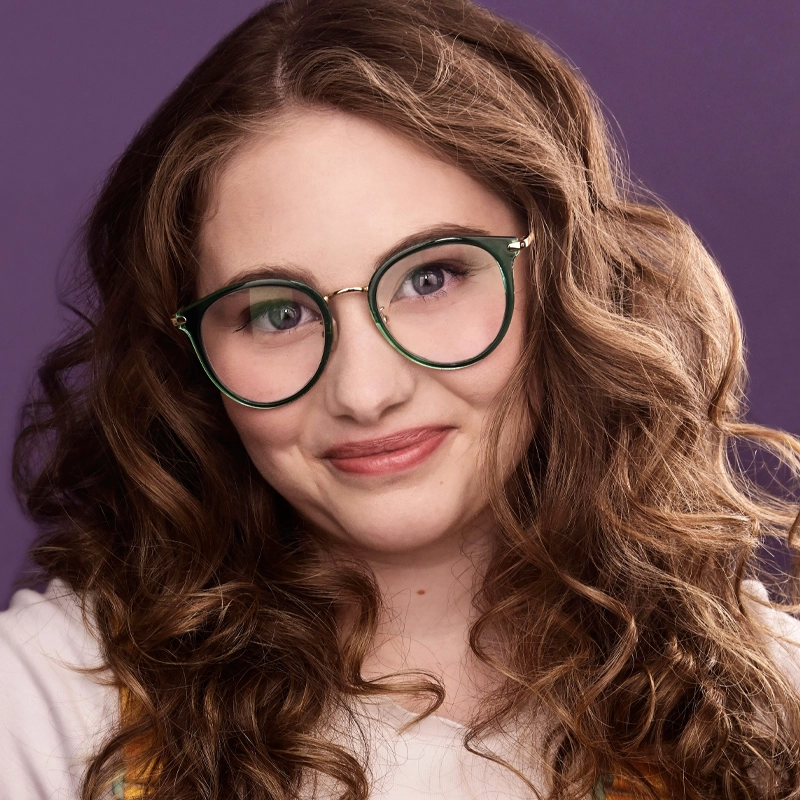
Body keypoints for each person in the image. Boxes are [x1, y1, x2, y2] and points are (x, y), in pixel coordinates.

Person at [3, 0, 800, 798]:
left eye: (431, 277)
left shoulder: (774, 702)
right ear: (191, 354)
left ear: (562, 281)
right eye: (278, 313)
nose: (364, 391)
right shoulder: (44, 707)